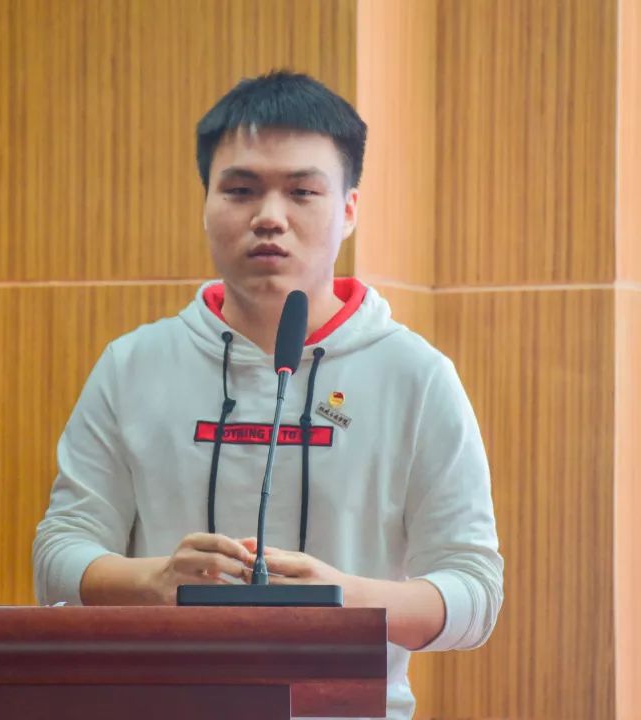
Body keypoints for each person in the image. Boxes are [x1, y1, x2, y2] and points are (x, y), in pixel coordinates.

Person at [33, 70, 503, 720]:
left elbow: (475, 594)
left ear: (349, 210)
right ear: (206, 202)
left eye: (302, 191)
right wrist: (156, 581)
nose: (269, 217)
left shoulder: (415, 375)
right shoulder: (133, 365)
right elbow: (58, 557)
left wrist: (343, 597)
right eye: (241, 190)